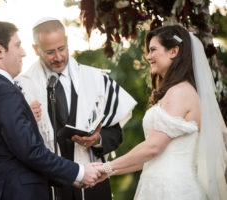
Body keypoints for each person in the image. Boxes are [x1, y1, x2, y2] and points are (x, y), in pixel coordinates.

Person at [0, 21, 102, 200]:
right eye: (17, 45)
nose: (23, 52)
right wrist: (79, 172)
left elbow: (17, 153)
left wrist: (70, 178)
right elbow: (29, 151)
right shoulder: (3, 90)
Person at [96, 25, 227, 200]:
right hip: (162, 184)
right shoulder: (179, 91)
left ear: (173, 51)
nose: (148, 56)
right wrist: (109, 172)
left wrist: (106, 167)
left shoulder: (180, 92)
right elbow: (151, 158)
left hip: (173, 190)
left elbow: (153, 147)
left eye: (153, 50)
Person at [15, 17, 137, 200]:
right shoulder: (21, 86)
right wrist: (26, 118)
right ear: (36, 49)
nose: (58, 57)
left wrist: (97, 139)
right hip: (45, 187)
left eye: (61, 49)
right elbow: (14, 139)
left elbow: (116, 133)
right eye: (49, 52)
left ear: (67, 42)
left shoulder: (96, 79)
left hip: (92, 184)